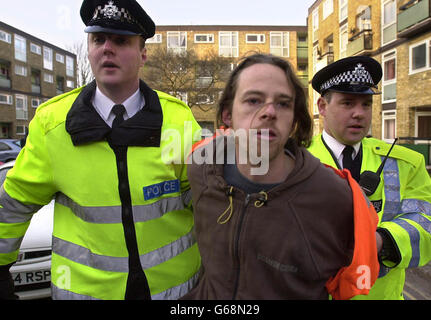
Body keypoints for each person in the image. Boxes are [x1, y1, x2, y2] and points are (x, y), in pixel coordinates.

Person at [0, 0, 201, 300]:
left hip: (176, 294)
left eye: (121, 41)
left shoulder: (178, 119)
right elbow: (13, 204)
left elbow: (205, 200)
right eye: (98, 39)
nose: (107, 48)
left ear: (143, 53)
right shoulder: (52, 124)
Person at [182, 54, 380, 300]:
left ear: (295, 119)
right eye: (253, 100)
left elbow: (353, 279)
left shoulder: (338, 196)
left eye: (284, 103)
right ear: (227, 115)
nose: (269, 112)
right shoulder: (202, 167)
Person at [308, 55, 431, 300]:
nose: (359, 114)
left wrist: (380, 241)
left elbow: (426, 220)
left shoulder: (406, 162)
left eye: (366, 104)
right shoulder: (293, 162)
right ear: (322, 106)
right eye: (347, 103)